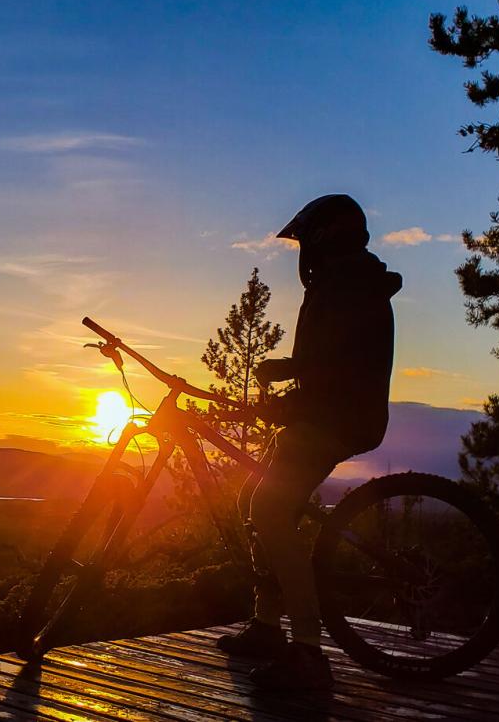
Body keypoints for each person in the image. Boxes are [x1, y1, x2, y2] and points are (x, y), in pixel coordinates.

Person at [214, 194, 402, 691]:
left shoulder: (346, 286)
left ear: (323, 240)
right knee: (252, 501)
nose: (302, 255)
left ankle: (307, 653)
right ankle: (267, 625)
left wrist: (290, 400)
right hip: (328, 414)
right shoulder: (348, 283)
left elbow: (336, 373)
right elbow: (330, 360)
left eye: (305, 242)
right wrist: (289, 372)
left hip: (334, 419)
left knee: (272, 513)